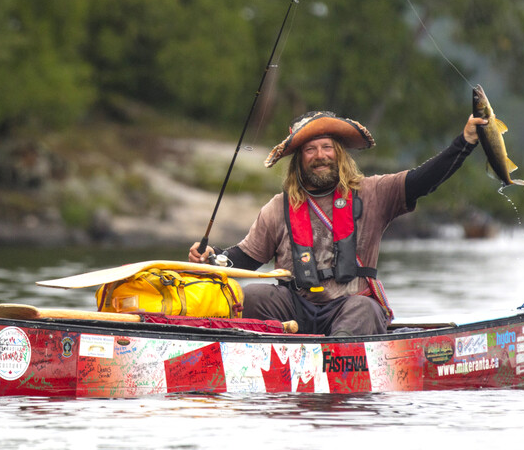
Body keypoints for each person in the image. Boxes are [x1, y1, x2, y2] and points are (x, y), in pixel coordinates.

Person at [188, 109, 487, 336]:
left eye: (327, 147)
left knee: (362, 310)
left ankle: (338, 363)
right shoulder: (277, 208)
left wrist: (466, 142)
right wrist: (212, 259)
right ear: (299, 159)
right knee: (247, 296)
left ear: (339, 153)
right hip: (295, 306)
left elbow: (424, 180)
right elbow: (243, 260)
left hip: (349, 305)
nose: (320, 156)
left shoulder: (373, 192)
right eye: (310, 149)